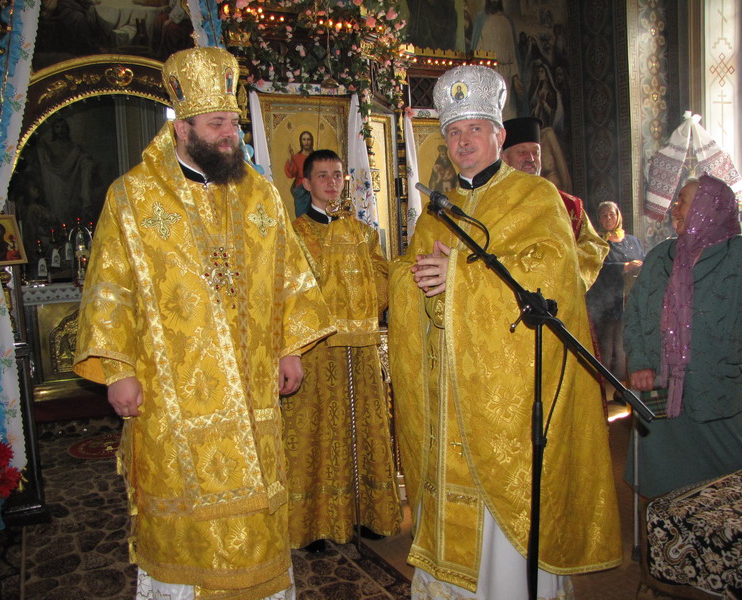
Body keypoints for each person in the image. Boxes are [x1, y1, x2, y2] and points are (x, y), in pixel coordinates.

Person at [73, 47, 334, 600]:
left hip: (253, 387)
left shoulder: (260, 193)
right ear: (182, 127)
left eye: (232, 124)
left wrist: (290, 348)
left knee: (258, 515)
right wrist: (118, 369)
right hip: (170, 398)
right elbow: (110, 289)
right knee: (185, 523)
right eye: (216, 124)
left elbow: (290, 276)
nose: (229, 135)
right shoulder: (133, 197)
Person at [388, 64, 621, 598]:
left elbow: (552, 274)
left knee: (507, 533)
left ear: (498, 134)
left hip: (506, 401)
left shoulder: (534, 197)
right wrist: (413, 278)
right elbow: (406, 273)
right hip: (449, 400)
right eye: (453, 131)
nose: (463, 141)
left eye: (474, 129)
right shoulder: (436, 212)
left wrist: (460, 276)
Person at [282, 150, 402, 552]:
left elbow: (382, 276)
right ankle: (315, 524)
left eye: (337, 176)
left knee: (364, 423)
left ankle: (367, 514)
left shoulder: (364, 233)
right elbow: (289, 286)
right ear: (306, 183)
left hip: (361, 347)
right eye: (322, 176)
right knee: (317, 430)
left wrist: (361, 308)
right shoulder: (295, 234)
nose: (331, 183)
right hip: (316, 347)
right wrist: (328, 313)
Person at [624, 174, 742, 498]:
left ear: (708, 207)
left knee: (726, 492)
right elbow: (635, 313)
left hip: (720, 394)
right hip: (661, 394)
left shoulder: (736, 256)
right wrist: (639, 362)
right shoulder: (660, 256)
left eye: (683, 202)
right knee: (664, 490)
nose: (674, 209)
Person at [501, 116, 607, 291]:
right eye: (522, 152)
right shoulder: (494, 202)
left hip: (558, 296)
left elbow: (593, 247)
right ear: (504, 158)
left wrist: (565, 274)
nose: (531, 159)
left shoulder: (569, 204)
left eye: (536, 152)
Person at [586, 201, 645, 384]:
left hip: (629, 299)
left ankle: (623, 385)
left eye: (611, 214)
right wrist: (624, 267)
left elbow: (643, 260)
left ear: (618, 216)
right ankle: (603, 385)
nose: (608, 218)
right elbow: (595, 268)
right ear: (599, 219)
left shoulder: (632, 241)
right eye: (604, 215)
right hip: (606, 300)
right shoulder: (597, 242)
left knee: (624, 343)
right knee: (606, 344)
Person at [284, 130, 314, 218]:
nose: (306, 142)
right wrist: (290, 158)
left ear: (311, 141)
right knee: (301, 216)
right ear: (301, 141)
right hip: (301, 190)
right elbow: (290, 173)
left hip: (314, 188)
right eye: (304, 139)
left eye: (308, 139)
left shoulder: (316, 157)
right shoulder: (296, 157)